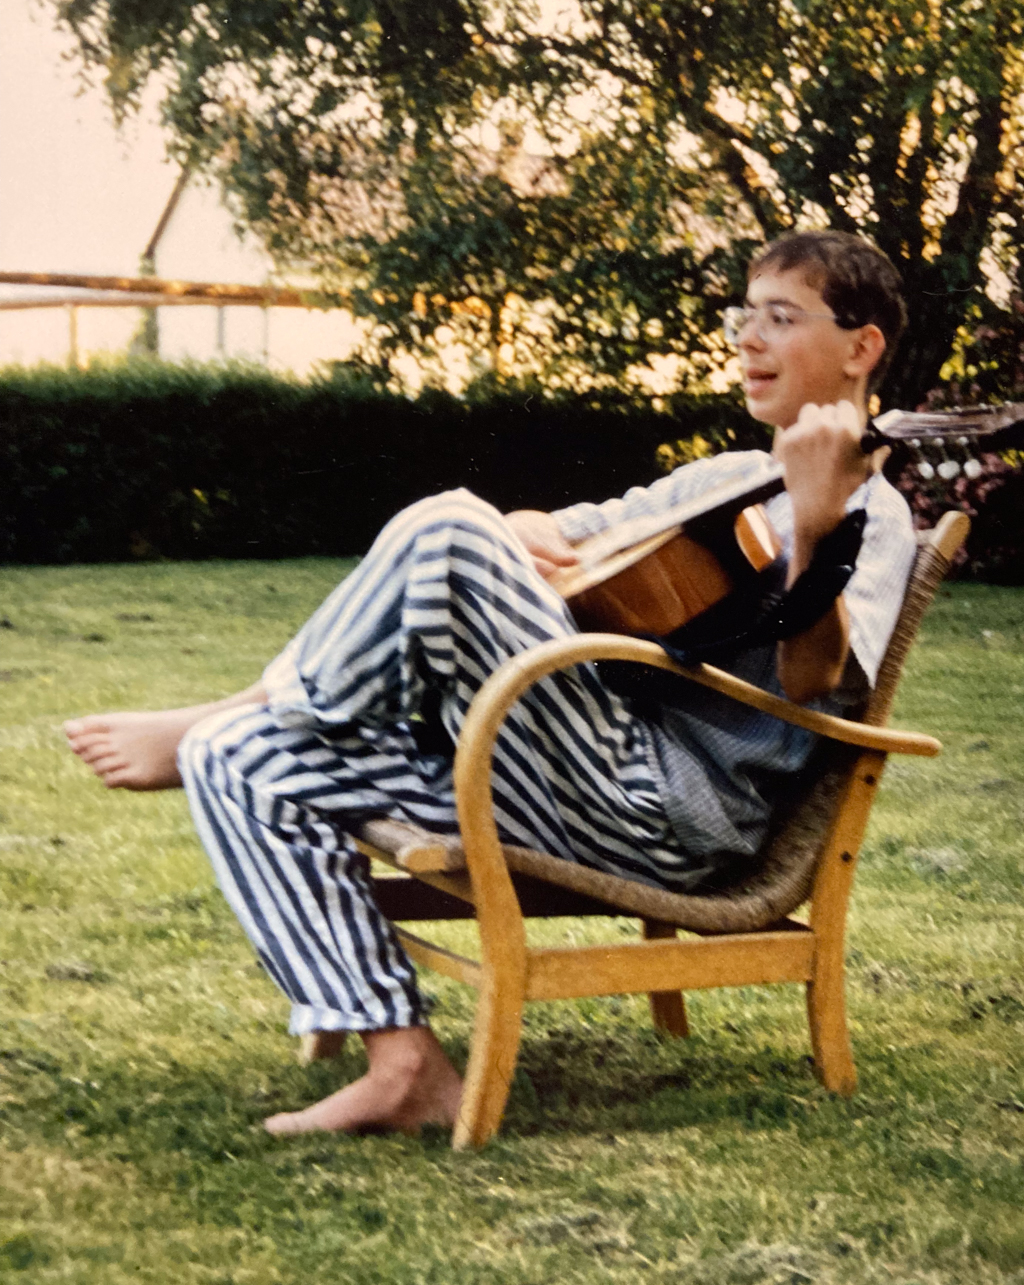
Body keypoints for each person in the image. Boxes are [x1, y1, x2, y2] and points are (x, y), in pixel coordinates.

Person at [64, 230, 916, 1138]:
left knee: (445, 527)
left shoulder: (877, 515)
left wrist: (817, 526)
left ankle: (259, 693)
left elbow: (813, 679)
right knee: (233, 755)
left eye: (781, 318)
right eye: (745, 315)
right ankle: (404, 1067)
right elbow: (561, 529)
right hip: (560, 770)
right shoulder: (730, 476)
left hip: (661, 812)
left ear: (861, 347)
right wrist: (524, 530)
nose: (748, 338)